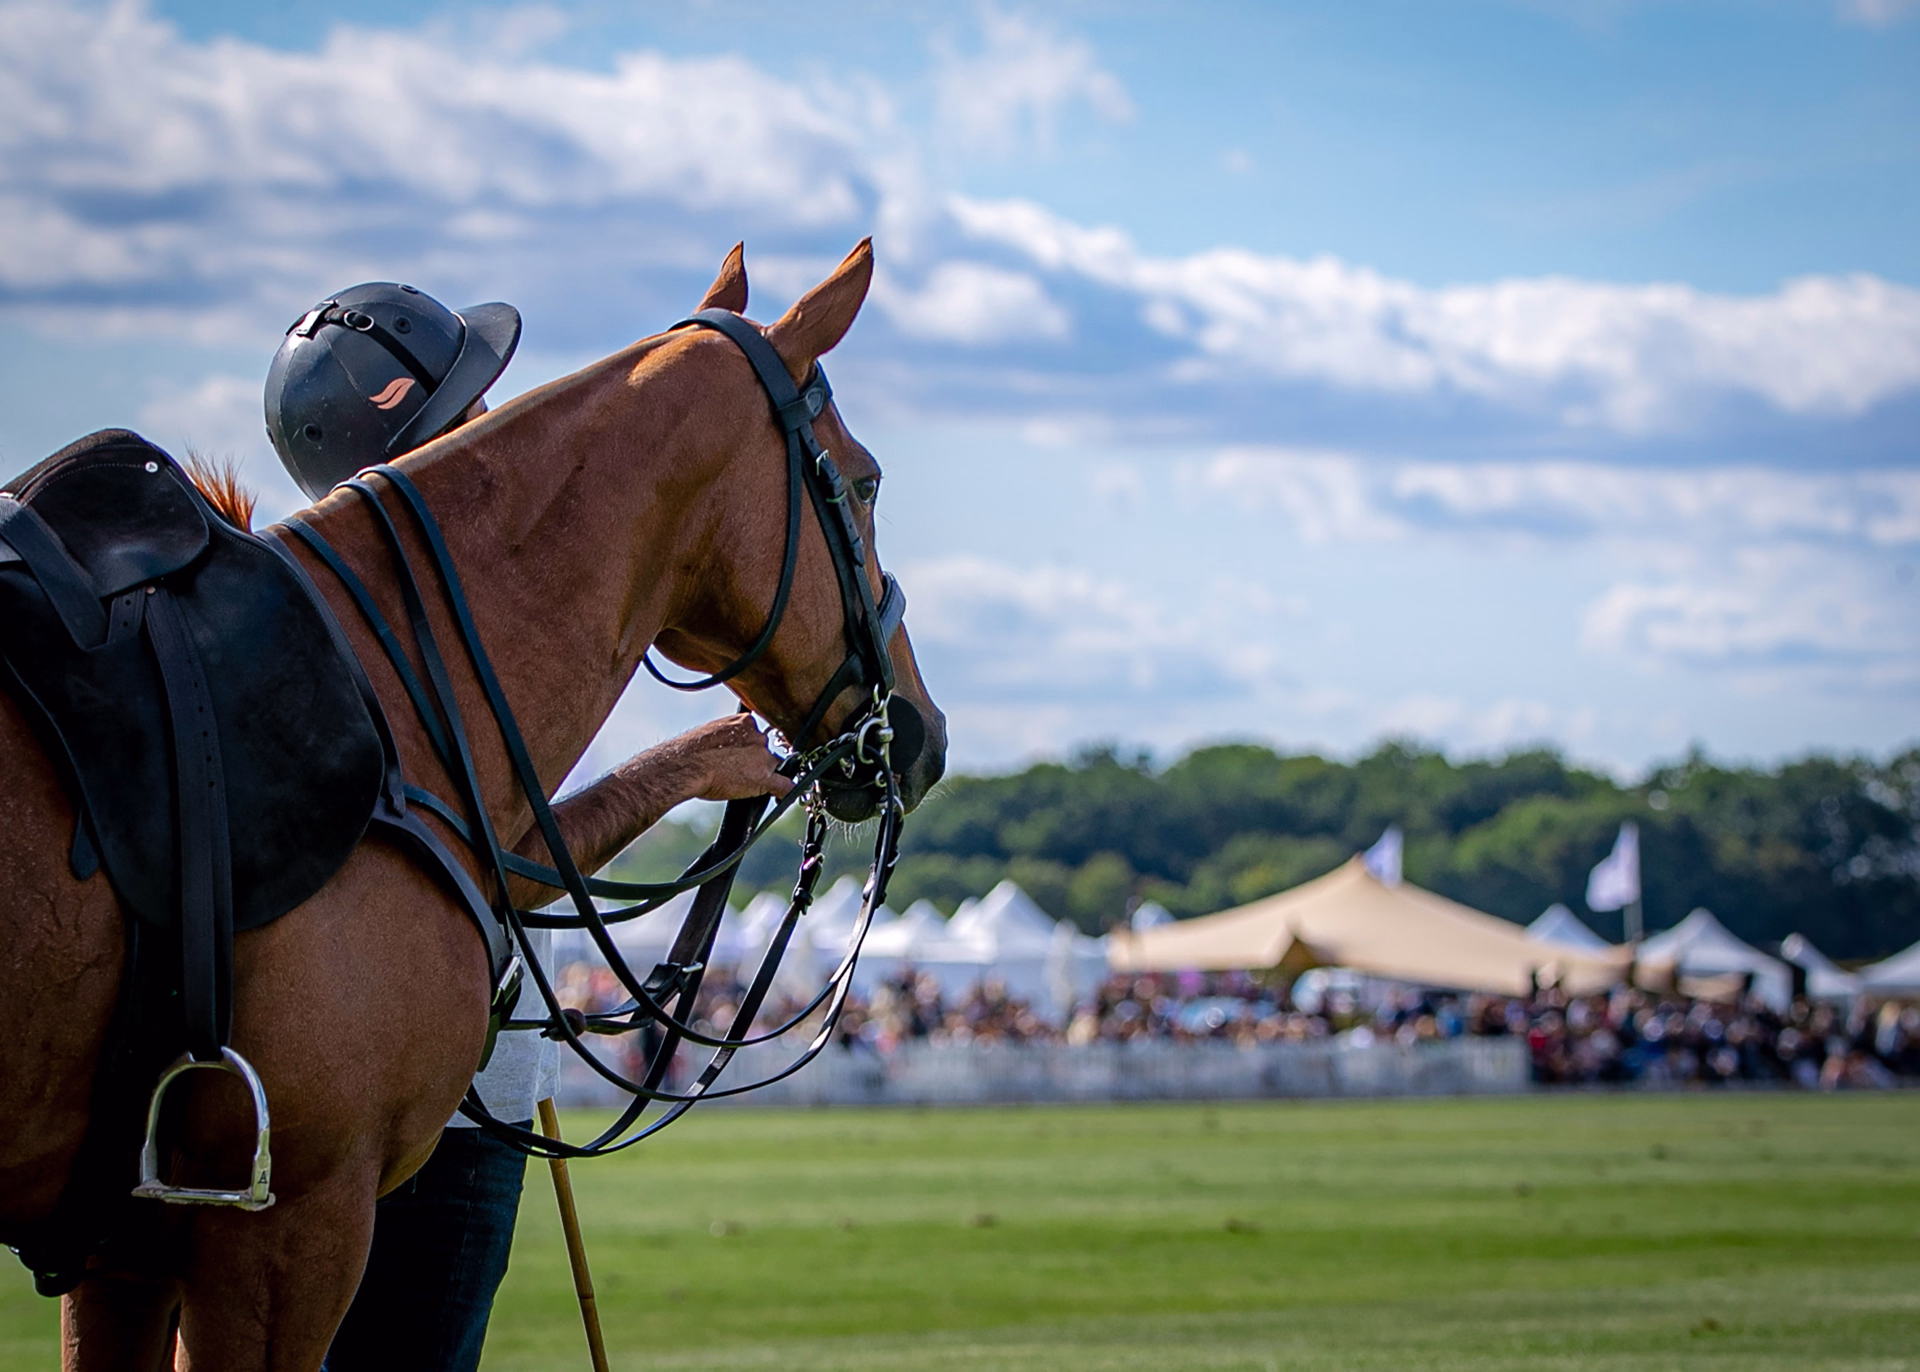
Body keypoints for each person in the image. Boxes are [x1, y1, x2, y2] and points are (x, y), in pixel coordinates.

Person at [265, 282, 788, 1370]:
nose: (500, 423)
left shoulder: (353, 611)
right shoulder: (391, 640)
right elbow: (485, 870)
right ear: (422, 431)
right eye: (473, 405)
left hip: (431, 1098)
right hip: (432, 1124)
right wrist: (682, 767)